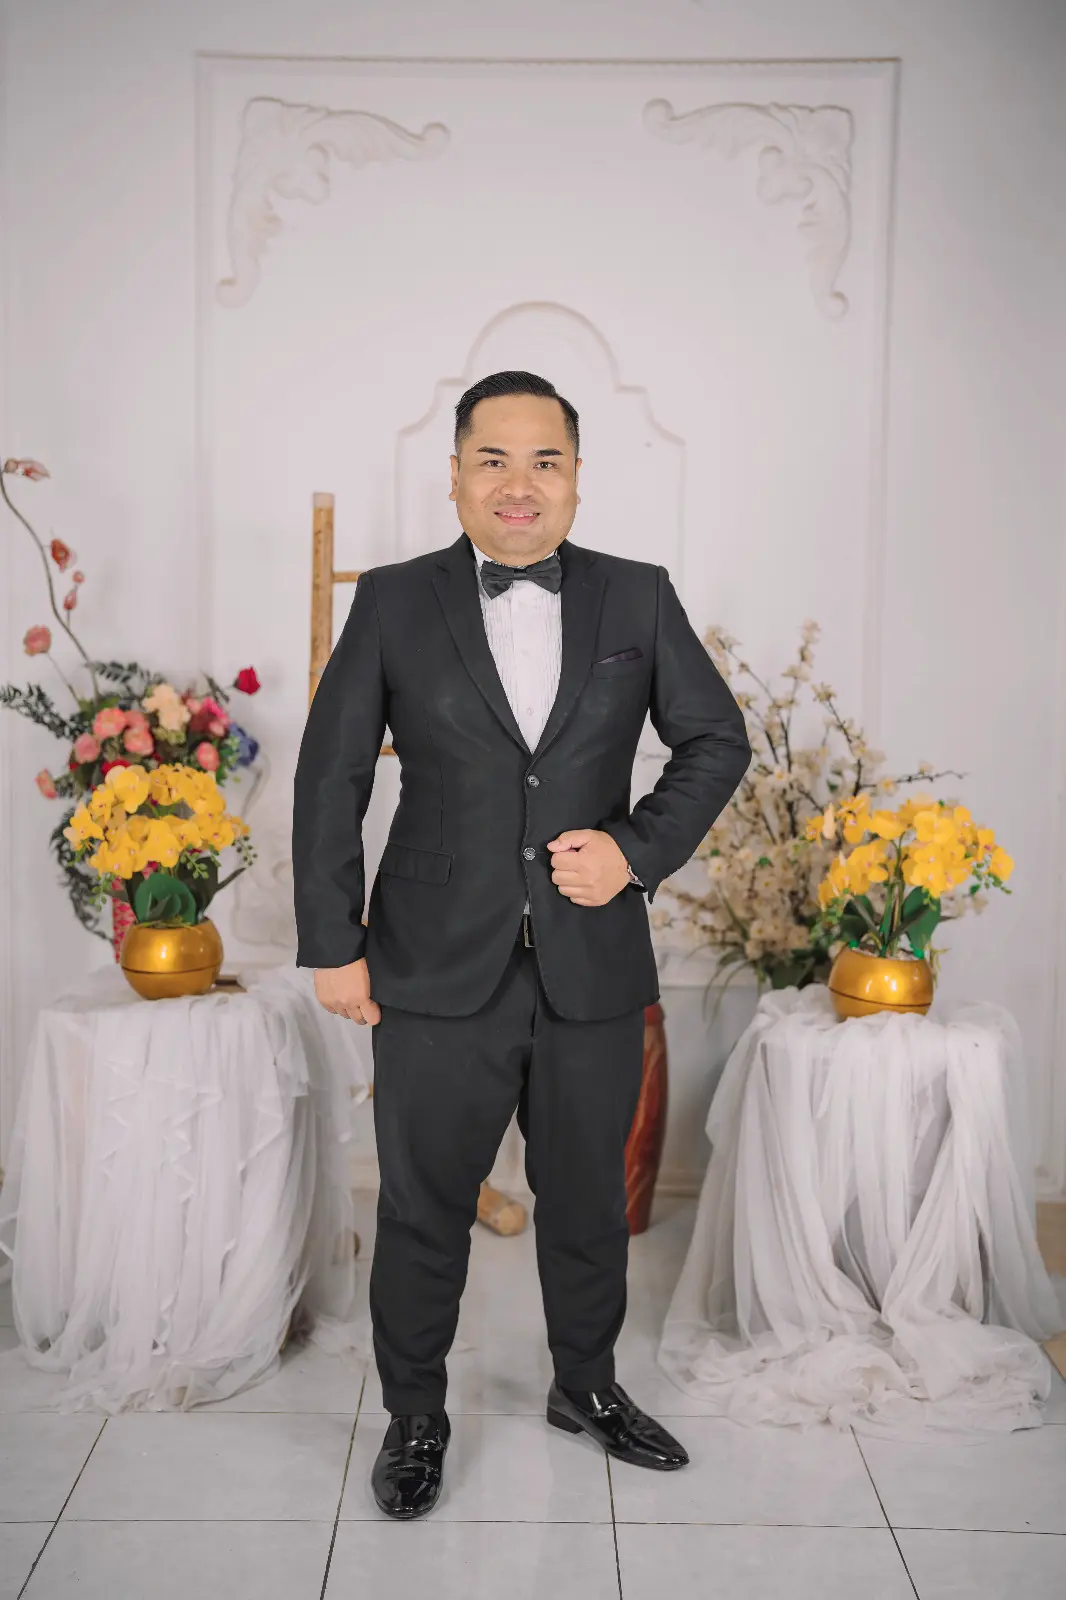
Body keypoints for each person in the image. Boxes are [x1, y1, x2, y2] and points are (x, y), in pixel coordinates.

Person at [292, 370, 751, 1520]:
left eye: (544, 460)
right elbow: (331, 775)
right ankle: (414, 1413)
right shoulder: (393, 601)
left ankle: (584, 1386)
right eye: (492, 459)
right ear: (453, 477)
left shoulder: (638, 596)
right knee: (422, 1206)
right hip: (430, 959)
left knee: (589, 1198)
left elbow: (715, 738)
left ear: (576, 479)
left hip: (592, 961)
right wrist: (332, 944)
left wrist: (634, 851)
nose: (518, 484)